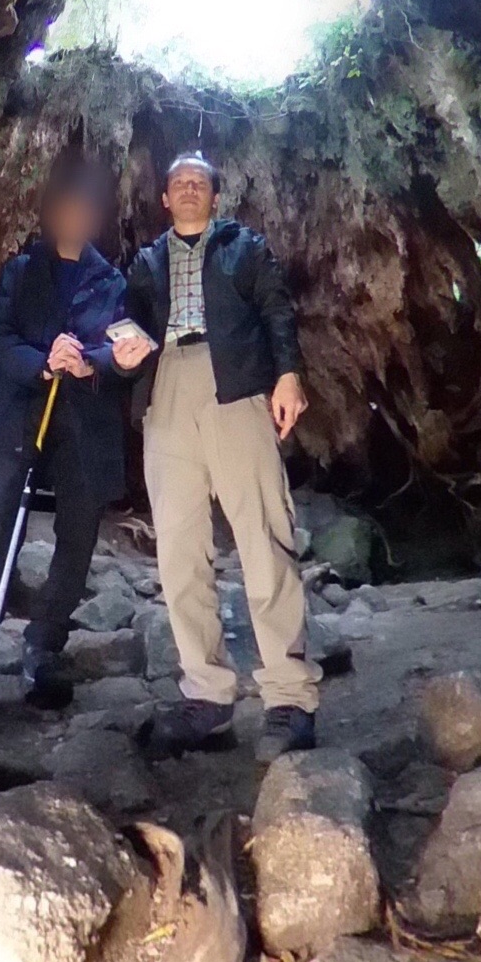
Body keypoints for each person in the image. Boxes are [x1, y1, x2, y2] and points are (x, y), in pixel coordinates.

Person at [114, 152, 320, 760]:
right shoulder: (146, 262)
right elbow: (122, 319)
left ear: (213, 196)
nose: (187, 190)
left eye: (198, 182)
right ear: (164, 200)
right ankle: (206, 694)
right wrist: (121, 347)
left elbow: (277, 311)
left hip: (236, 385)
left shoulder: (244, 248)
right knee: (178, 547)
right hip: (167, 390)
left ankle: (288, 695)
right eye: (177, 182)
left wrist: (289, 376)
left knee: (262, 534)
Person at [0, 152, 127, 738]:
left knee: (78, 534)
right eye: (66, 206)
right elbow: (0, 340)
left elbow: (121, 354)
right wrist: (43, 363)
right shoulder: (21, 270)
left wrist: (93, 362)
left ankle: (44, 648)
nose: (74, 217)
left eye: (84, 209)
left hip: (82, 425)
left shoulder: (111, 282)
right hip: (21, 415)